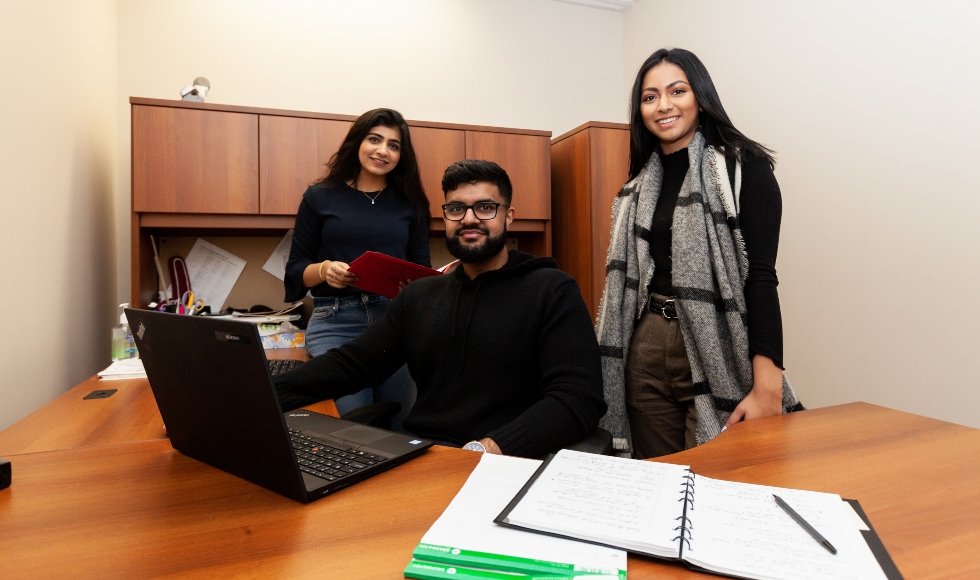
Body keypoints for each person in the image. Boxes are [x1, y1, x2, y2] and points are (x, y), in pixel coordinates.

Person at [274, 160, 607, 458]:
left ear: (509, 216)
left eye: (486, 207)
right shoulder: (420, 296)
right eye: (456, 209)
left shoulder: (551, 290)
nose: (470, 219)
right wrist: (260, 394)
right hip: (428, 457)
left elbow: (577, 398)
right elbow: (353, 364)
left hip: (510, 461)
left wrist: (486, 449)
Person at [596, 48, 803, 460]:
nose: (664, 105)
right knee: (655, 479)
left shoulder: (744, 169)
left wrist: (767, 388)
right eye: (650, 97)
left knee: (721, 476)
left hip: (716, 341)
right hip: (648, 341)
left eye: (677, 90)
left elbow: (762, 278)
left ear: (701, 96)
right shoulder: (635, 190)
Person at [283, 108, 430, 432]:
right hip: (335, 322)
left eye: (394, 145)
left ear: (401, 155)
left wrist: (413, 286)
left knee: (402, 428)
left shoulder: (411, 204)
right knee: (353, 431)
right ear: (357, 142)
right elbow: (295, 269)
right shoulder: (320, 197)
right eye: (375, 139)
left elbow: (423, 271)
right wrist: (323, 270)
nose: (383, 150)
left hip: (395, 322)